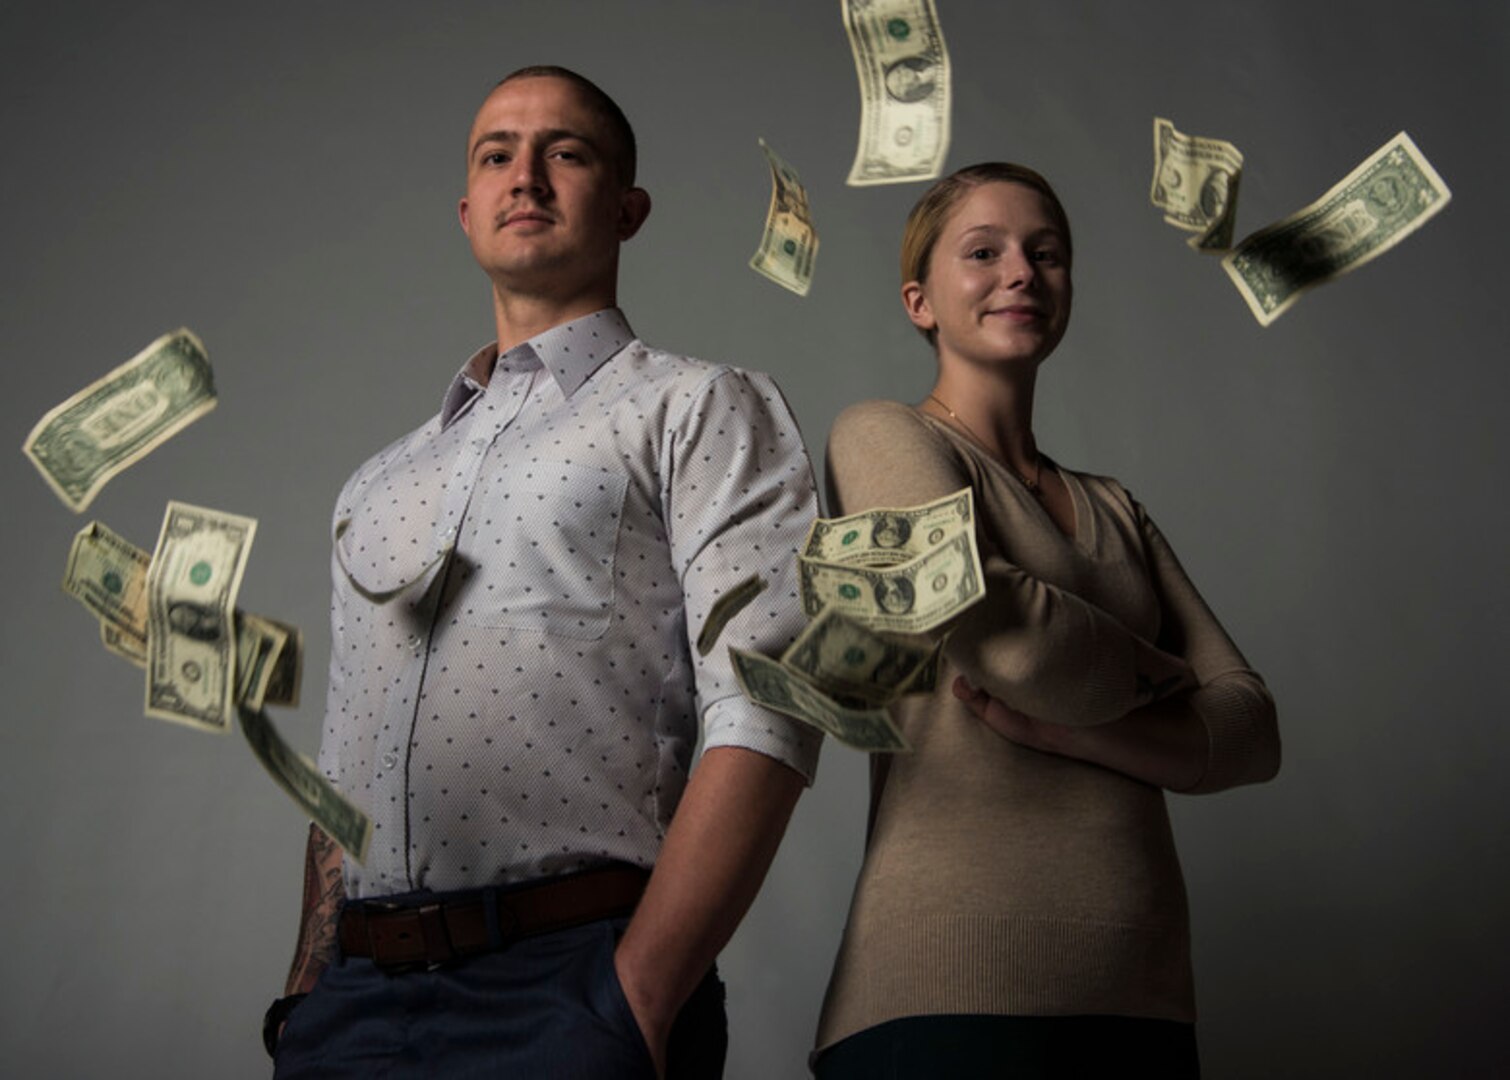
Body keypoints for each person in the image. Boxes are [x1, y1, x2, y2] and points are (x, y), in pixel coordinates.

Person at [265, 66, 823, 1079]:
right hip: (348, 1013)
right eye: (496, 155)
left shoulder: (699, 409)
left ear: (627, 208)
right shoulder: (374, 485)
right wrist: (302, 999)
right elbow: (341, 770)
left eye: (564, 151)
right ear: (467, 210)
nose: (526, 175)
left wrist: (638, 999)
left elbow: (772, 704)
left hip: (574, 988)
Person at [811, 163, 1281, 1077]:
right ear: (922, 301)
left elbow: (1253, 729)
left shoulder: (1114, 505)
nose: (1021, 272)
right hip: (939, 989)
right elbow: (1003, 637)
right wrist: (1157, 674)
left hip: (1143, 995)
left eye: (1046, 254)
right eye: (983, 253)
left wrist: (1080, 736)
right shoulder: (878, 436)